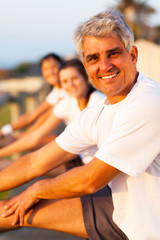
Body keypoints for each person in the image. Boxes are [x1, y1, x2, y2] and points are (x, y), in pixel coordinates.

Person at [0, 9, 160, 240]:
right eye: (93, 58)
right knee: (9, 212)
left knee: (15, 210)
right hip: (120, 208)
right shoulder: (98, 111)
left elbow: (89, 180)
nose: (104, 66)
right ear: (86, 66)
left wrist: (36, 189)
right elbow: (35, 161)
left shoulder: (148, 101)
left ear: (133, 55)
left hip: (147, 227)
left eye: (113, 53)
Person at [0, 58, 105, 164]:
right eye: (65, 81)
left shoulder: (98, 102)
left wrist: (13, 138)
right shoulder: (67, 101)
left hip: (96, 164)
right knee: (22, 165)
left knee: (31, 165)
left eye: (75, 78)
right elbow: (35, 133)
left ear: (85, 77)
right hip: (79, 157)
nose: (71, 84)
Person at [0, 53, 66, 139]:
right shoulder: (56, 91)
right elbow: (33, 115)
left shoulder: (67, 90)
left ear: (62, 67)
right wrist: (4, 130)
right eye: (46, 69)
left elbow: (45, 118)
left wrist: (18, 138)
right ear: (42, 72)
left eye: (54, 67)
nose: (51, 72)